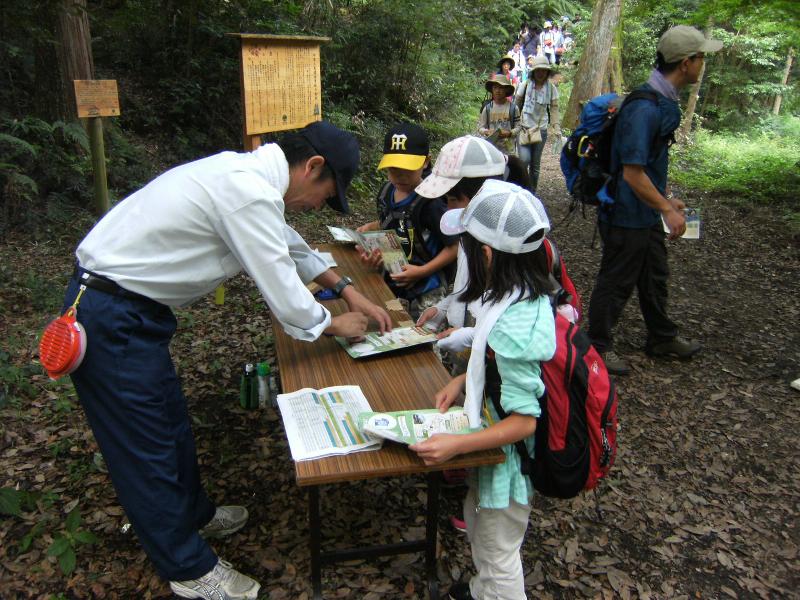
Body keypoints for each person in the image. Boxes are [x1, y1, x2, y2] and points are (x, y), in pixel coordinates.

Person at [62, 120, 393, 600]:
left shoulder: (245, 177)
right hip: (109, 315)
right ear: (312, 166)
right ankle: (188, 568)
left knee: (169, 422)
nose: (320, 204)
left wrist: (347, 292)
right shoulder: (246, 191)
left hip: (133, 313)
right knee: (144, 446)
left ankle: (194, 514)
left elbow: (289, 243)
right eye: (326, 193)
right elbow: (280, 283)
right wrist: (332, 322)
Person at [410, 180, 556, 600]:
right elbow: (490, 354)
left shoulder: (517, 322)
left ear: (487, 253)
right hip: (488, 441)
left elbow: (526, 420)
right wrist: (463, 378)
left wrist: (457, 445)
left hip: (508, 463)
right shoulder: (511, 294)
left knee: (497, 549)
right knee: (477, 524)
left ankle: (495, 592)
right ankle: (480, 590)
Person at [587, 25, 721, 375]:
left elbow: (647, 165)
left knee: (654, 275)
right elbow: (632, 172)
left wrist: (666, 200)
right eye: (701, 57)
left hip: (644, 212)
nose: (703, 64)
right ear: (686, 62)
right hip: (625, 213)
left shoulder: (662, 100)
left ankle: (661, 336)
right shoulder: (644, 109)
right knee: (616, 280)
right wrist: (664, 207)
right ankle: (597, 347)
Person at [356, 122, 458, 320]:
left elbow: (454, 247)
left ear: (426, 162)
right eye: (393, 169)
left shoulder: (431, 202)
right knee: (395, 327)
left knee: (426, 335)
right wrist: (371, 227)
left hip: (428, 287)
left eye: (408, 168)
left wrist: (421, 271)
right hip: (394, 279)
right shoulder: (386, 193)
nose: (400, 175)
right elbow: (391, 222)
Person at [515, 55, 560, 193]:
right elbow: (516, 105)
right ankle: (522, 189)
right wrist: (514, 124)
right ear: (534, 71)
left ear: (547, 72)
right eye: (538, 70)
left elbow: (554, 108)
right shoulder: (525, 85)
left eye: (543, 70)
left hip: (541, 130)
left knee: (535, 164)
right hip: (524, 128)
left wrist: (556, 126)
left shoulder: (551, 89)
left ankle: (532, 192)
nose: (541, 73)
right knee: (524, 160)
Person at [477, 75, 519, 156]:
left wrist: (510, 133)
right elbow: (480, 127)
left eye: (501, 88)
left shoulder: (513, 108)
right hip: (492, 150)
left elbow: (519, 127)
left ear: (506, 90)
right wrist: (486, 131)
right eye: (495, 88)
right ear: (492, 90)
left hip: (509, 150)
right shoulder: (488, 108)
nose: (497, 91)